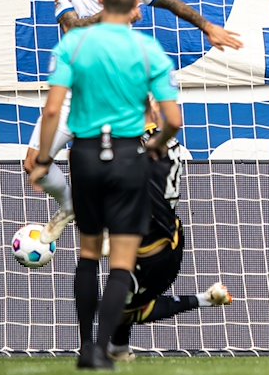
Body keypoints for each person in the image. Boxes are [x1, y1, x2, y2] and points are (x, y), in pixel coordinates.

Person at [25, 0, 242, 244]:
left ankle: (131, 230)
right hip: (73, 94)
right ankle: (70, 206)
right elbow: (72, 29)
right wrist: (116, 10)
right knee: (32, 162)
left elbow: (166, 0)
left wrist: (206, 25)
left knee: (116, 169)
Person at [28, 0, 182, 369]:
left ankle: (83, 348)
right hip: (129, 156)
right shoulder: (148, 49)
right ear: (135, 7)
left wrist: (44, 157)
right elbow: (173, 120)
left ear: (100, 2)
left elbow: (51, 110)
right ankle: (103, 349)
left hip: (86, 156)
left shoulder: (75, 44)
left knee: (88, 253)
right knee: (122, 261)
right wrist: (155, 145)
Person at [106, 106, 232, 362]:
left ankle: (204, 299)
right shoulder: (168, 143)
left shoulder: (137, 147)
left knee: (123, 306)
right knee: (125, 296)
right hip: (171, 238)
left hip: (151, 249)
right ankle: (118, 349)